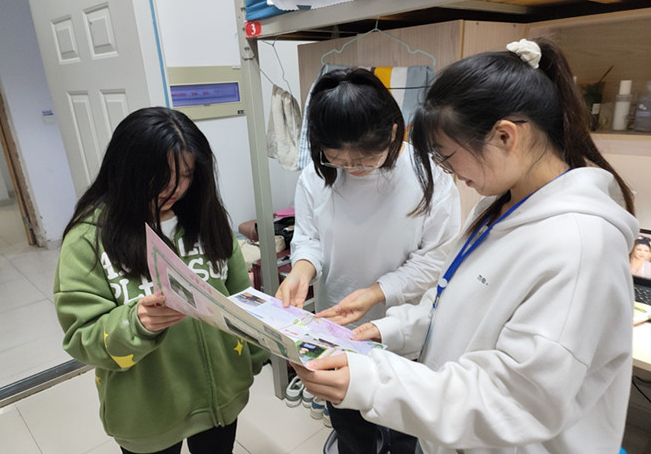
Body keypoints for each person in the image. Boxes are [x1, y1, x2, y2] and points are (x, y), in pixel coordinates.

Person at [292, 39, 639, 454]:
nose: (448, 172)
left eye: (447, 156)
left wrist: (371, 381)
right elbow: (451, 301)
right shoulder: (499, 207)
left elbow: (511, 400)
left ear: (505, 136)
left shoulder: (580, 246)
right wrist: (388, 329)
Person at [53, 107, 270, 454]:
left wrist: (252, 359)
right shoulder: (88, 239)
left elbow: (240, 297)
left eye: (186, 175)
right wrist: (136, 323)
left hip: (222, 398)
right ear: (125, 170)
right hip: (147, 412)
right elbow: (82, 337)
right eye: (159, 176)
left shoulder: (206, 217)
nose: (175, 188)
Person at [275, 67, 461, 453]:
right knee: (351, 429)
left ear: (393, 132)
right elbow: (309, 237)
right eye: (338, 160)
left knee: (404, 433)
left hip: (404, 331)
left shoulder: (430, 177)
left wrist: (376, 293)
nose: (353, 169)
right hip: (336, 329)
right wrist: (302, 270)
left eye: (364, 158)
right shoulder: (315, 177)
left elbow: (434, 261)